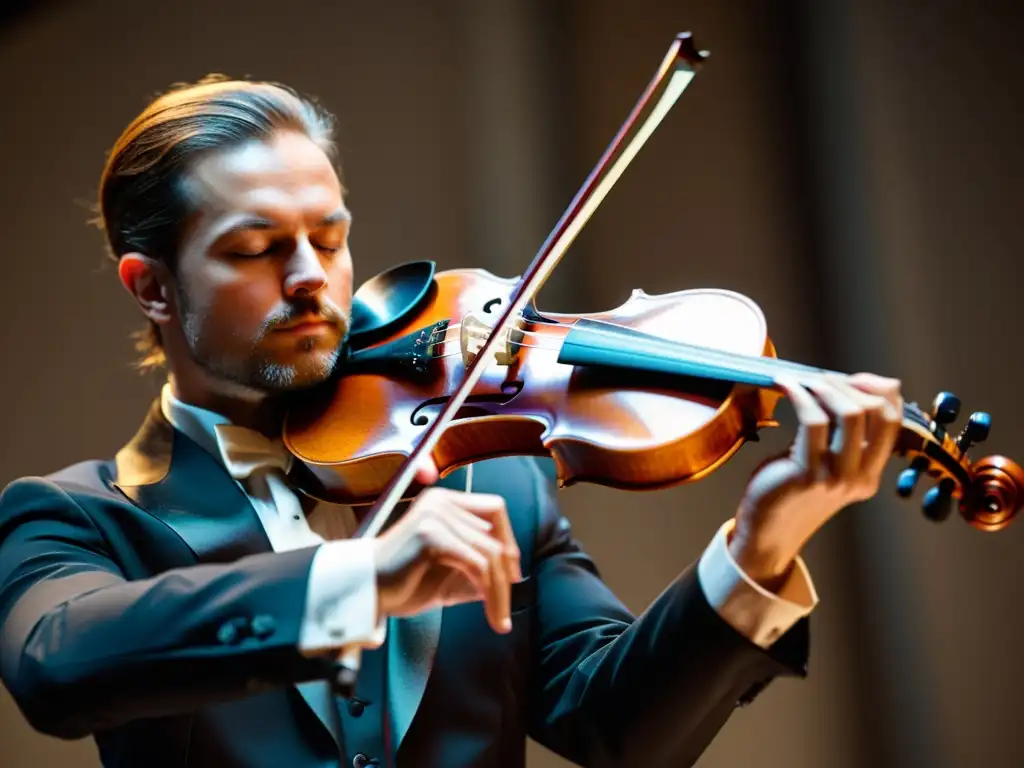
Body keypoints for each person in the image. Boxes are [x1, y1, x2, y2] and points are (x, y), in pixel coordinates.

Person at [0, 76, 903, 768]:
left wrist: (764, 538)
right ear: (153, 286)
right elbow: (55, 663)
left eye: (329, 236)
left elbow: (620, 728)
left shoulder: (489, 478)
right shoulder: (76, 518)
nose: (313, 275)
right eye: (255, 249)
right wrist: (358, 577)